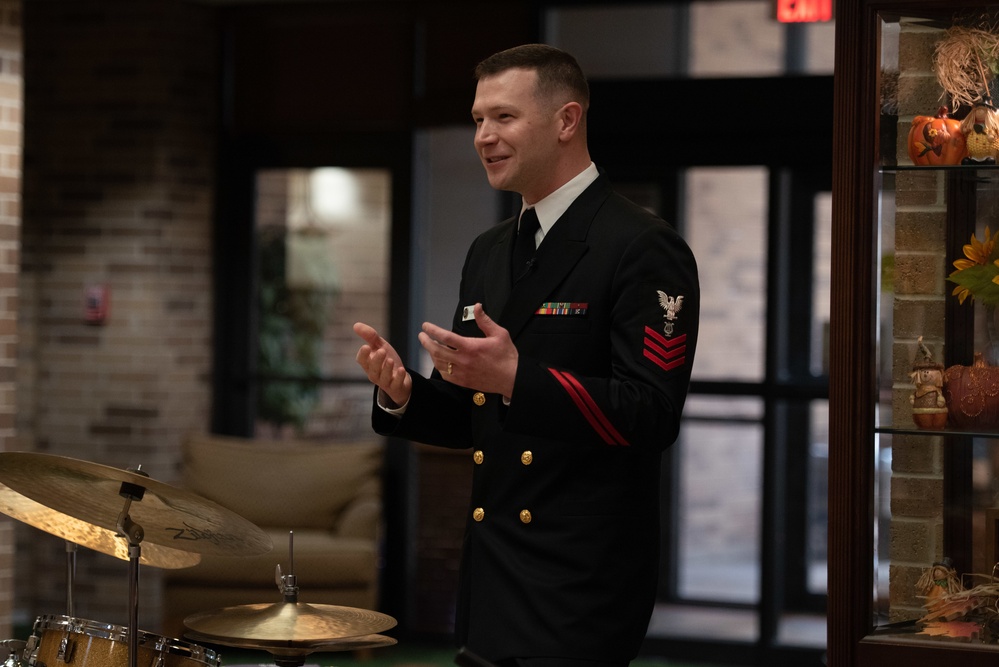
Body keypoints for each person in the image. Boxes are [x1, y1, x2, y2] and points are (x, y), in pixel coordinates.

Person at [354, 43, 699, 666]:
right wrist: (404, 394)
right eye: (478, 119)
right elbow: (471, 416)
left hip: (581, 576)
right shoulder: (488, 251)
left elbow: (650, 412)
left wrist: (517, 377)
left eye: (504, 117)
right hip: (493, 564)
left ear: (567, 120)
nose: (484, 136)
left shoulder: (641, 246)